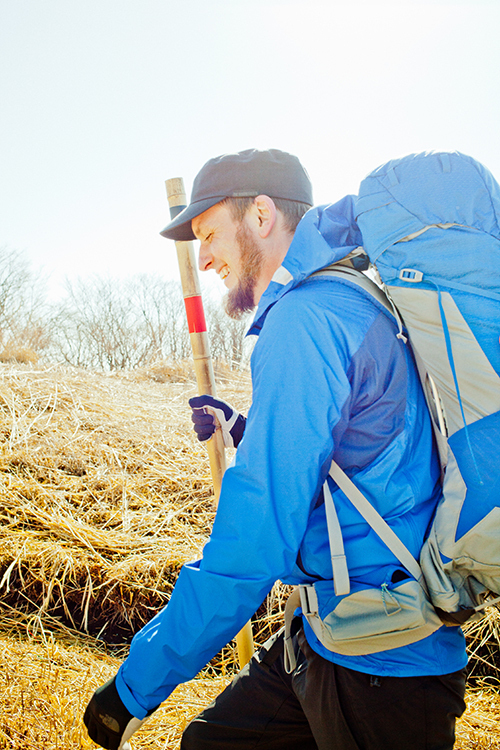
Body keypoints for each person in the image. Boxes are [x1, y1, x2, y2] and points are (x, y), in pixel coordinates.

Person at [83, 149, 468, 750]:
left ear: (261, 215)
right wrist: (243, 428)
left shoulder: (305, 319)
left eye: (209, 233)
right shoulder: (351, 297)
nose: (203, 256)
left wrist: (135, 686)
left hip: (379, 665)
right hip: (328, 635)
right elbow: (355, 451)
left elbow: (256, 537)